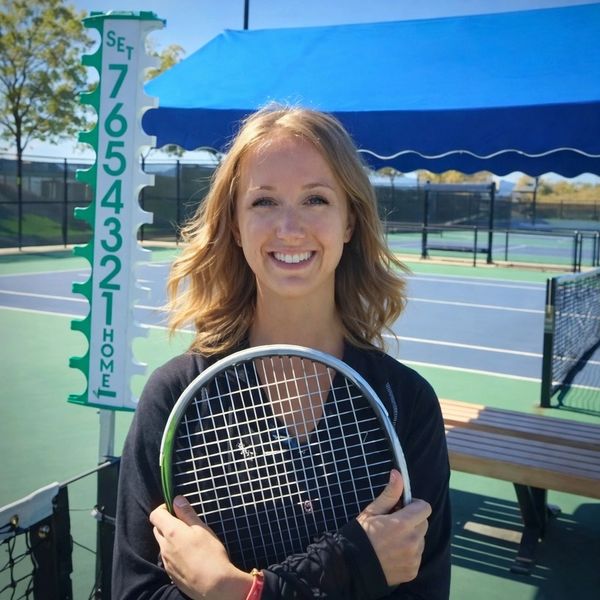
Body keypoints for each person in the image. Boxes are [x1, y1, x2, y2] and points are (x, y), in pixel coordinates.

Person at [112, 105, 451, 599]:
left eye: (316, 199)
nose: (290, 228)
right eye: (264, 201)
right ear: (234, 225)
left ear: (350, 221)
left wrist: (229, 590)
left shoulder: (407, 402)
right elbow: (136, 592)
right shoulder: (176, 396)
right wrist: (354, 562)